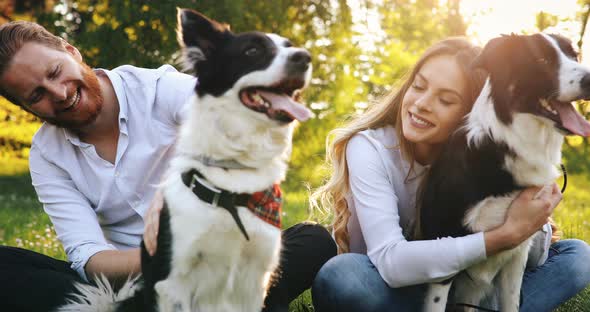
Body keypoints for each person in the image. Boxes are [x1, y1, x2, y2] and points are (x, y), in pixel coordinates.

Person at [0, 20, 336, 312]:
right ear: (27, 108)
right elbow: (90, 259)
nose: (58, 93)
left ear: (71, 51)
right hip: (133, 278)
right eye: (36, 95)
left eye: (55, 72)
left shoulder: (160, 90)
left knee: (313, 240)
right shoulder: (47, 154)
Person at [310, 37, 590, 312]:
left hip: (472, 286)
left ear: (469, 111)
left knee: (577, 257)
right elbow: (391, 261)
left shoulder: (485, 153)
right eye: (418, 86)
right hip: (387, 286)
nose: (422, 104)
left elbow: (533, 257)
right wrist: (507, 234)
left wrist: (534, 213)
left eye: (445, 100)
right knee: (342, 276)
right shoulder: (369, 148)